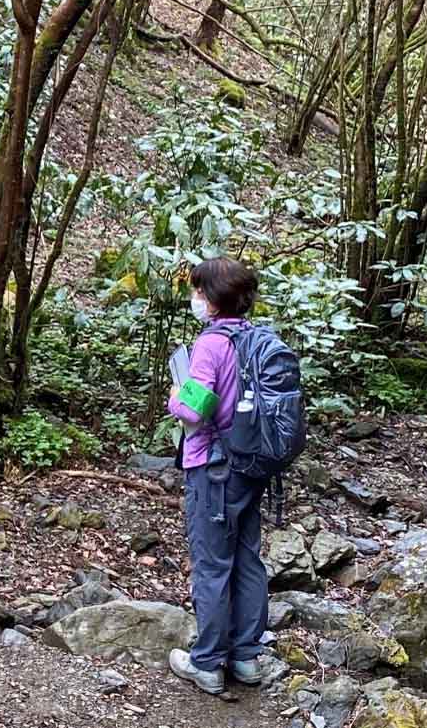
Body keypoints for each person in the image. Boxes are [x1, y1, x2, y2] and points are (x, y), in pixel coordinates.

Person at [166, 257, 268, 695]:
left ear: (210, 298)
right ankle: (246, 657)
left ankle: (206, 662)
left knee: (212, 564)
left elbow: (196, 408)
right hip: (250, 465)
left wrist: (175, 395)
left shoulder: (210, 343)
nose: (195, 299)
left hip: (213, 467)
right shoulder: (256, 337)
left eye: (198, 292)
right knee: (247, 559)